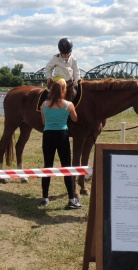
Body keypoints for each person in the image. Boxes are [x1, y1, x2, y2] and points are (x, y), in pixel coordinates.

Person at [39, 78, 81, 209]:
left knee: (48, 166)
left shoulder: (44, 105)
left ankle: (45, 197)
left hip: (48, 135)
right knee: (66, 167)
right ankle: (72, 199)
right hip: (62, 136)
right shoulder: (68, 105)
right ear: (64, 90)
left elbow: (44, 122)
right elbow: (75, 119)